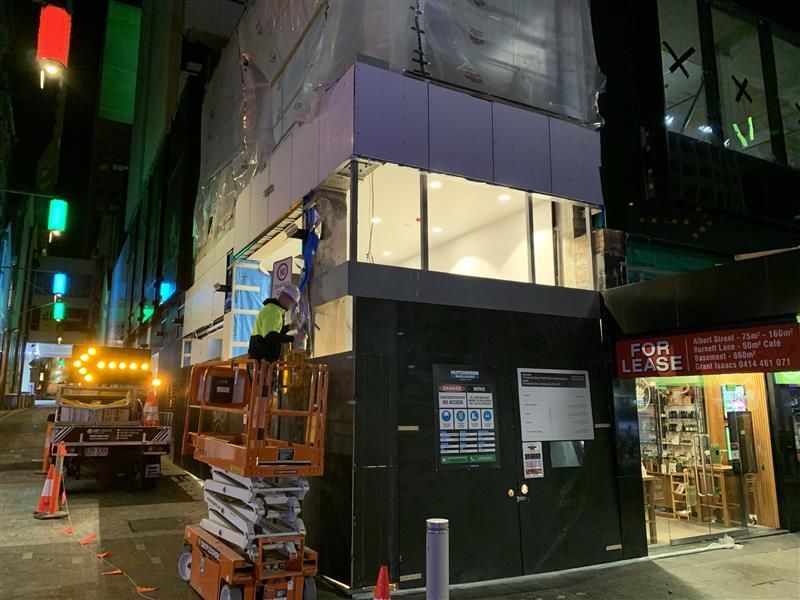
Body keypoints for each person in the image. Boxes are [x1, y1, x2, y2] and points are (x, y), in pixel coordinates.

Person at [248, 284, 301, 362]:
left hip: (260, 360)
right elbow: (270, 336)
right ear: (284, 296)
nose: (291, 305)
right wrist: (293, 338)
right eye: (292, 302)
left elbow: (272, 333)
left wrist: (289, 327)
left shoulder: (272, 309)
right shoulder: (273, 311)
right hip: (262, 361)